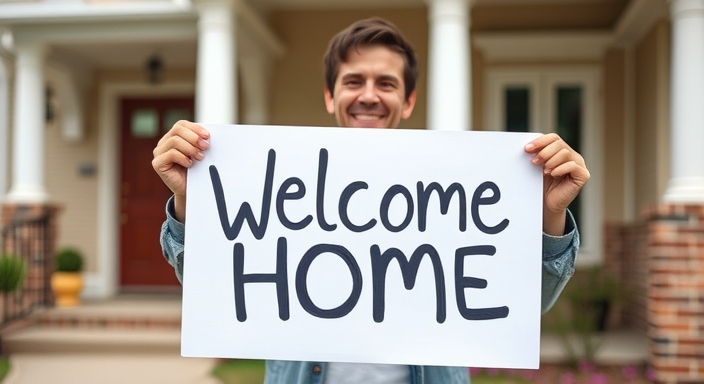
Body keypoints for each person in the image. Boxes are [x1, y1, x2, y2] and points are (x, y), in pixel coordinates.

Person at [152, 17, 589, 384]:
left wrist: (550, 215)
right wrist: (193, 204)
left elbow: (527, 303)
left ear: (409, 99)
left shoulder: (452, 189)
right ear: (330, 95)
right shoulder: (283, 186)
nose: (368, 95)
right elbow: (217, 289)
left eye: (386, 83)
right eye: (353, 81)